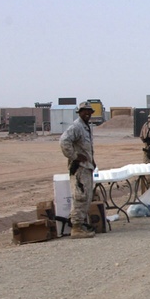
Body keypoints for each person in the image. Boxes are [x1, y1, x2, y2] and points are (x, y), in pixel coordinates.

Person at [59, 101, 97, 239]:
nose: (87, 114)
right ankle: (76, 227)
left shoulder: (86, 127)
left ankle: (80, 224)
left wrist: (92, 160)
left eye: (89, 111)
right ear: (79, 112)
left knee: (86, 196)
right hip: (80, 169)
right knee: (80, 197)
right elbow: (64, 141)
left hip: (87, 167)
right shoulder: (76, 127)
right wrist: (74, 156)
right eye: (84, 111)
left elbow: (86, 147)